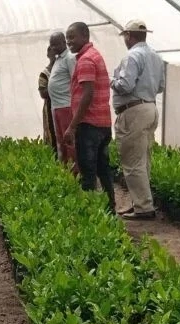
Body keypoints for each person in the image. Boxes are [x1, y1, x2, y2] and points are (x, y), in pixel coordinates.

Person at [111, 20, 165, 220]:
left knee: (132, 161)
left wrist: (112, 81)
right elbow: (160, 87)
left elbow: (125, 85)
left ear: (128, 36)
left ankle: (143, 208)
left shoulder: (132, 56)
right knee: (143, 159)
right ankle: (141, 203)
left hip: (134, 111)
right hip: (150, 108)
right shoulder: (156, 57)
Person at [64, 22, 116, 213]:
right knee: (103, 168)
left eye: (72, 37)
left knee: (88, 171)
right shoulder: (95, 55)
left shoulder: (86, 59)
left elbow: (87, 95)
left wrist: (72, 126)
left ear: (85, 36)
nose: (69, 41)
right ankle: (110, 208)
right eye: (67, 37)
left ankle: (90, 215)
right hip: (102, 123)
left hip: (90, 124)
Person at [48, 31, 78, 173]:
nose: (52, 47)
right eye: (51, 45)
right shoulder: (58, 59)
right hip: (57, 107)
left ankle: (75, 172)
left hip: (66, 106)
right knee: (60, 141)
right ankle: (65, 170)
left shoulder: (69, 58)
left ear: (63, 43)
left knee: (69, 142)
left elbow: (75, 81)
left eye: (55, 44)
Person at [38, 46, 57, 156]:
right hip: (51, 108)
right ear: (48, 55)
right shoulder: (45, 74)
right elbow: (43, 93)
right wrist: (56, 86)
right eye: (51, 51)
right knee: (52, 134)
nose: (54, 54)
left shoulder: (65, 69)